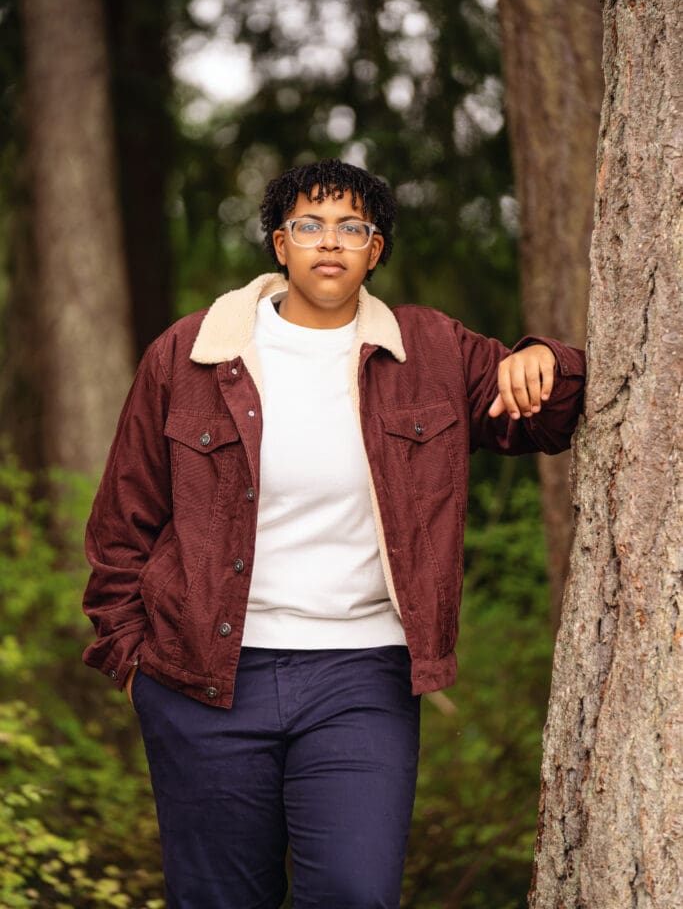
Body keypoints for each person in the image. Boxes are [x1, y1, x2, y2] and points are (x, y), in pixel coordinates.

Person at [82, 158, 585, 909]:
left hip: (362, 676)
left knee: (355, 891)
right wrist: (132, 660)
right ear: (278, 245)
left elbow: (543, 417)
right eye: (309, 225)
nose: (330, 241)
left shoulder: (432, 350)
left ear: (374, 252)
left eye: (353, 228)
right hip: (204, 678)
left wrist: (548, 357)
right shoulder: (190, 354)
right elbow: (123, 522)